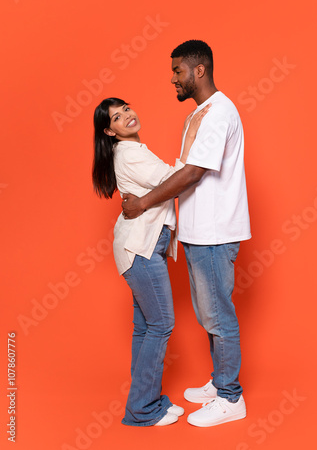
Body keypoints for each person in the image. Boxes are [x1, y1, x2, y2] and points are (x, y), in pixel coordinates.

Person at [122, 40, 251, 427]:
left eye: (177, 70)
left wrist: (143, 204)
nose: (172, 78)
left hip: (215, 232)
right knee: (208, 313)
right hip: (199, 232)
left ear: (199, 70)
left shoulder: (217, 113)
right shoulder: (201, 112)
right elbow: (185, 169)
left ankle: (231, 397)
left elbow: (193, 172)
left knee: (219, 316)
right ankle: (219, 382)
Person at [92, 96, 210, 427]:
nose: (127, 116)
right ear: (110, 131)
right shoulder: (129, 153)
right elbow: (177, 179)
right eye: (117, 117)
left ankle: (149, 399)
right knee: (161, 325)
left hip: (140, 248)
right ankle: (142, 409)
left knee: (145, 327)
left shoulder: (132, 151)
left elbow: (170, 179)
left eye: (126, 109)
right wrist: (191, 136)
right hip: (140, 250)